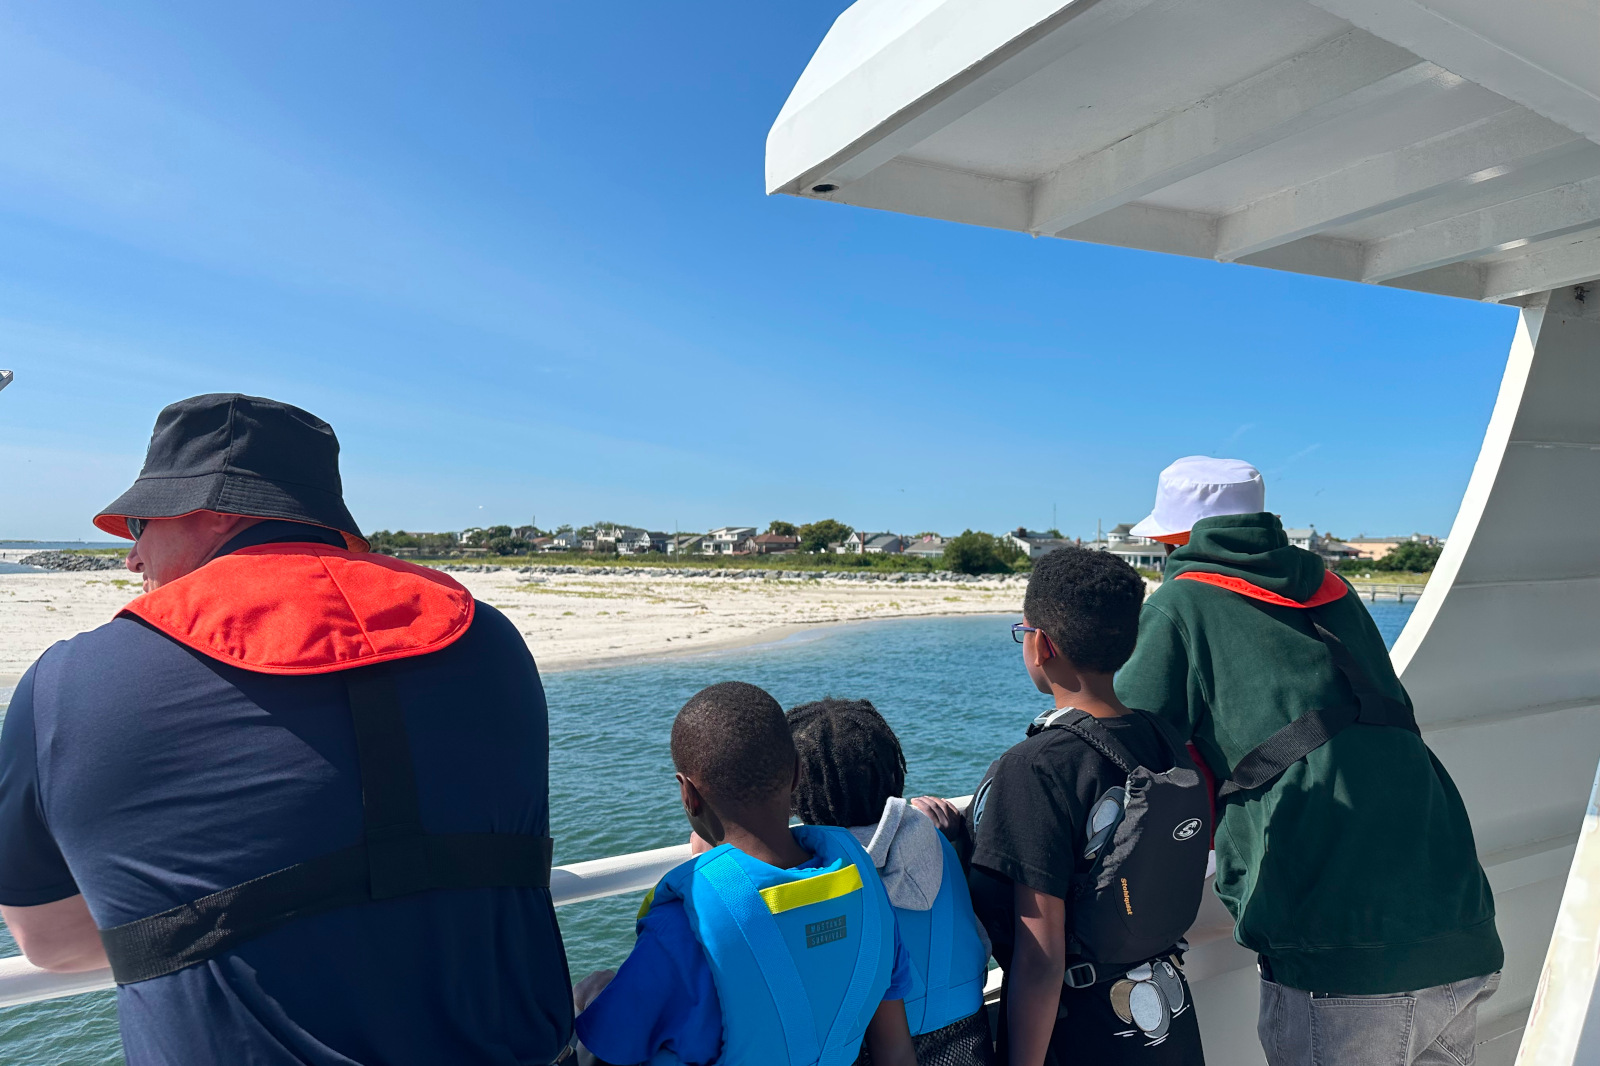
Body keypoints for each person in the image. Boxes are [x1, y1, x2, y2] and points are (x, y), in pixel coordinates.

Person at [0, 393, 573, 1065]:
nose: (132, 557)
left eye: (137, 523)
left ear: (213, 507)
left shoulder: (69, 684)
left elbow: (51, 943)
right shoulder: (492, 640)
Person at [1114, 455, 1503, 1066]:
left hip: (1342, 946)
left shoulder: (1181, 604)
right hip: (1458, 923)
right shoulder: (1336, 590)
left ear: (1178, 538)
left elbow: (1116, 735)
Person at [923, 547, 1210, 1066]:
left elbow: (1041, 957)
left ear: (1042, 644)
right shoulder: (1159, 737)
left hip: (1083, 1036)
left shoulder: (1036, 765)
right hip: (1167, 1023)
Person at [573, 681, 917, 1066]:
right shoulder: (864, 887)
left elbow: (605, 1051)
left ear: (688, 793)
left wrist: (594, 997)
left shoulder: (685, 927)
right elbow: (896, 1051)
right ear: (796, 775)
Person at [788, 697, 995, 1065]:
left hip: (873, 1040)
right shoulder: (936, 840)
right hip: (966, 1024)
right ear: (893, 769)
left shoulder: (805, 868)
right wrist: (952, 837)